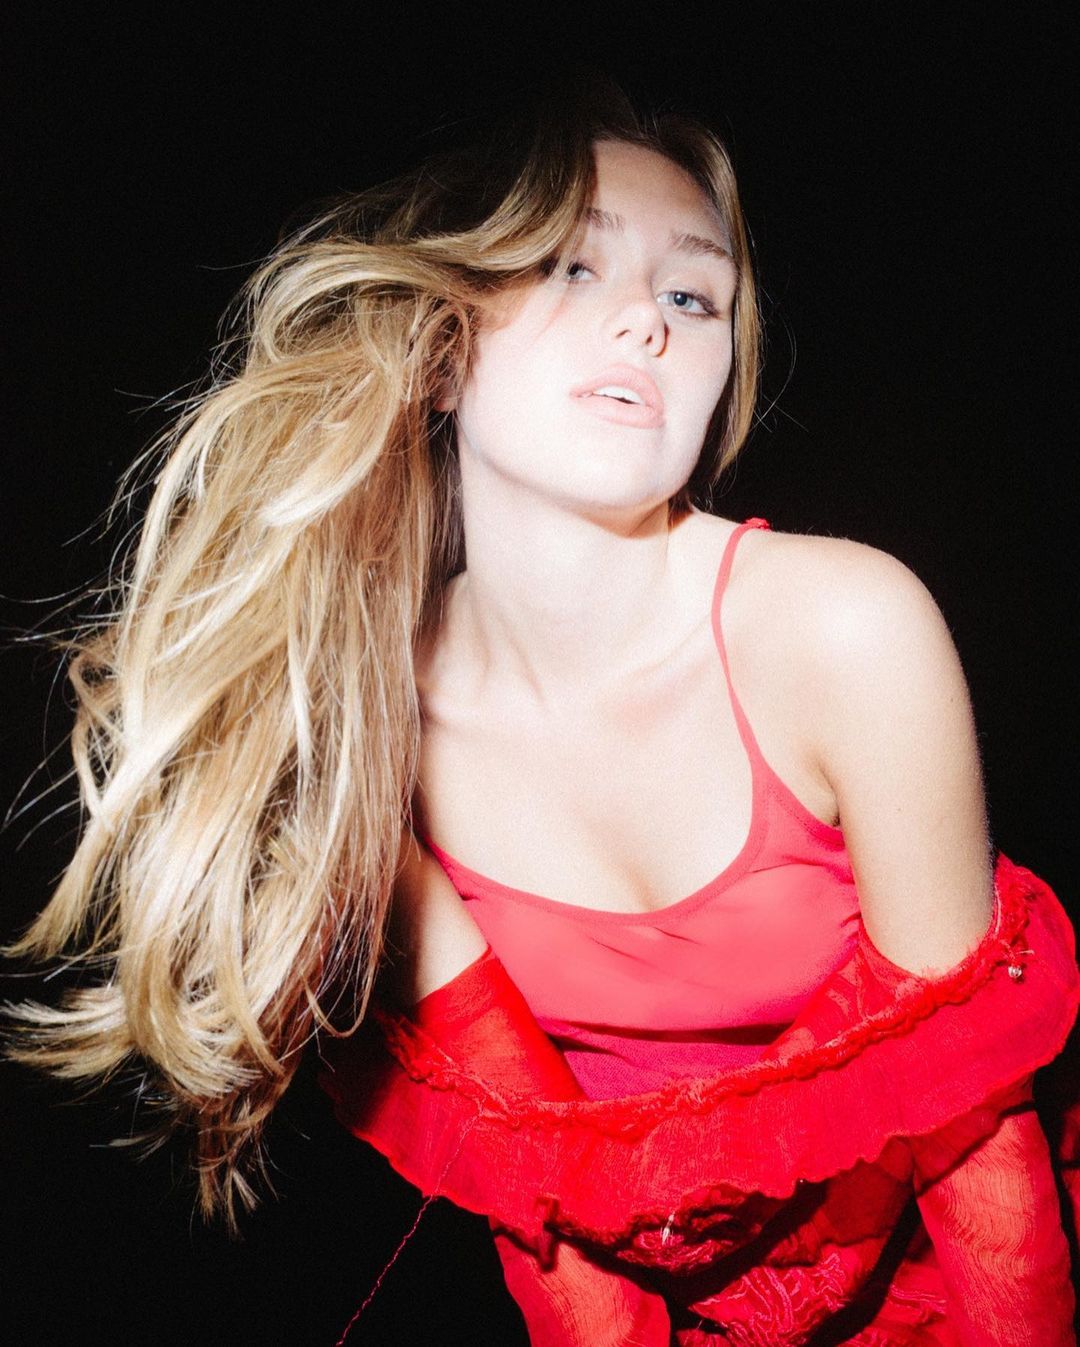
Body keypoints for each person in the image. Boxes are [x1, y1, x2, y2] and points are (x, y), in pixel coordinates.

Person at [6, 82, 1078, 1345]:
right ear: (441, 349)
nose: (646, 319)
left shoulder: (848, 627)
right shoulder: (372, 723)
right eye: (573, 265)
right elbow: (545, 1195)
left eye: (694, 296)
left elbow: (975, 1131)